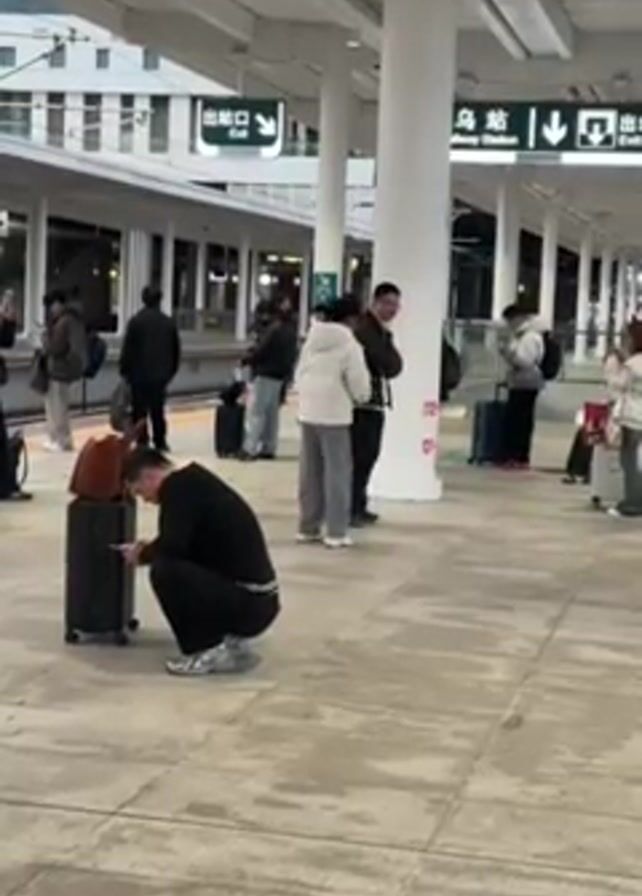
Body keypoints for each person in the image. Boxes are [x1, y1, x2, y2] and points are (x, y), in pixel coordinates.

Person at [120, 448, 280, 676]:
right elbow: (183, 541)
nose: (145, 499)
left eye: (139, 491)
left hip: (249, 605)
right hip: (259, 600)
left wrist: (143, 554)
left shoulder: (177, 490)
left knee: (165, 571)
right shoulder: (193, 483)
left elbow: (172, 547)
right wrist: (148, 549)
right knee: (170, 562)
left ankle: (206, 649)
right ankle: (225, 642)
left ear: (149, 476)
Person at [295, 298, 371, 549]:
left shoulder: (312, 340)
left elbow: (299, 373)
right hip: (335, 415)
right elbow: (359, 383)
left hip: (308, 412)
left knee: (310, 473)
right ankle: (336, 532)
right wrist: (362, 397)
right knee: (337, 473)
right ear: (351, 319)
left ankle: (308, 527)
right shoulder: (350, 344)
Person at [351, 282, 403, 526]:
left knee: (368, 456)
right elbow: (387, 362)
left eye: (396, 305)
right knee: (360, 457)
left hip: (373, 402)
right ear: (375, 302)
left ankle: (358, 505)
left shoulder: (379, 331)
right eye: (388, 303)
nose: (393, 309)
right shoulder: (367, 330)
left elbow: (394, 366)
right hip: (362, 404)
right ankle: (352, 507)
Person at [119, 286, 181, 452]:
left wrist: (125, 371)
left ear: (143, 300)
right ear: (160, 300)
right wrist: (169, 372)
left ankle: (142, 440)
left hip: (138, 375)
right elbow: (175, 351)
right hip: (160, 376)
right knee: (157, 410)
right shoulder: (168, 323)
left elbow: (128, 349)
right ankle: (160, 441)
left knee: (139, 410)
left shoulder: (136, 322)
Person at [241, 297, 298, 460]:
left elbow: (262, 350)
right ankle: (269, 447)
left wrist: (247, 359)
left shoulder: (274, 330)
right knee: (272, 414)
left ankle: (249, 448)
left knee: (257, 412)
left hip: (265, 373)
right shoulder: (290, 330)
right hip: (280, 376)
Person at [499, 305, 545, 469]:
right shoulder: (521, 335)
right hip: (520, 382)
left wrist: (509, 354)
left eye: (509, 320)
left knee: (520, 420)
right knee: (518, 420)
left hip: (526, 383)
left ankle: (518, 455)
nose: (508, 324)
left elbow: (526, 361)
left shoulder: (529, 337)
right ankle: (515, 455)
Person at [42, 290, 87, 452]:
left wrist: (45, 339)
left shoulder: (64, 321)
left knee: (57, 408)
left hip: (60, 371)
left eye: (51, 305)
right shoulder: (72, 320)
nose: (50, 310)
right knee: (58, 407)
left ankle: (61, 440)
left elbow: (55, 347)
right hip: (63, 370)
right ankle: (59, 439)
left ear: (58, 304)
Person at [608, 322, 642, 517]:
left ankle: (633, 502)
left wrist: (615, 365)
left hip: (633, 416)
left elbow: (618, 384)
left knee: (630, 462)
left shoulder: (633, 364)